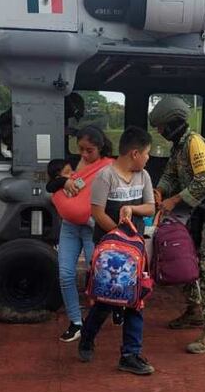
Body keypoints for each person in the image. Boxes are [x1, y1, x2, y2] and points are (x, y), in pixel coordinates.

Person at [150, 96, 205, 354]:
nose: (160, 132)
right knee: (184, 261)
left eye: (161, 126)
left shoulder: (194, 143)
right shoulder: (179, 146)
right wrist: (159, 190)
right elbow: (171, 174)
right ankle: (194, 311)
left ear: (172, 123)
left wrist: (173, 199)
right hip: (194, 216)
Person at [78, 126, 156, 375]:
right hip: (111, 250)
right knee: (105, 299)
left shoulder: (143, 176)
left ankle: (130, 354)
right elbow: (97, 211)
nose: (147, 158)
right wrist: (120, 237)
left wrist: (132, 211)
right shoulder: (106, 176)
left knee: (135, 299)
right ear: (134, 153)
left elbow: (151, 207)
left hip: (134, 252)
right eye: (146, 153)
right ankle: (87, 338)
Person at [55, 126, 113, 342]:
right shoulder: (73, 165)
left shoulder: (108, 166)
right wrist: (64, 181)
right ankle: (75, 321)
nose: (84, 154)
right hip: (70, 226)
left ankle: (106, 312)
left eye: (89, 150)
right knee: (65, 274)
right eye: (81, 149)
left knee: (98, 273)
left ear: (100, 147)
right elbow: (56, 184)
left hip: (92, 226)